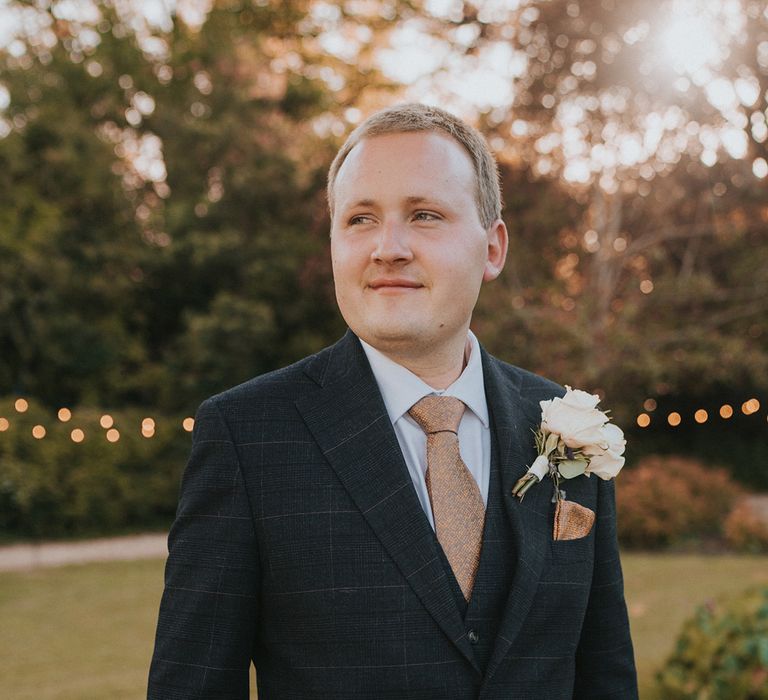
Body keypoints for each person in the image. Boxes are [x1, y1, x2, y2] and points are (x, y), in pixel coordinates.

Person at [148, 103, 638, 699]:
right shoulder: (246, 434)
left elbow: (606, 674)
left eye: (425, 214)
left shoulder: (566, 422)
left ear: (493, 248)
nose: (389, 247)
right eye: (359, 219)